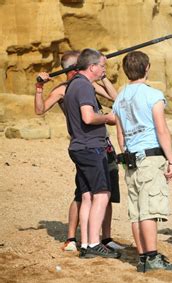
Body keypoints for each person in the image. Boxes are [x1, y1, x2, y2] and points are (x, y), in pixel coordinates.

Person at [34, 51, 124, 252]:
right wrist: (39, 88)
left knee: (105, 190)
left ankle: (104, 238)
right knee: (85, 194)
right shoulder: (63, 89)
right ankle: (73, 238)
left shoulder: (88, 83)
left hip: (101, 144)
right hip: (86, 145)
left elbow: (115, 97)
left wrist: (103, 76)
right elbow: (40, 110)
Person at [113, 51, 172, 272]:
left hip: (131, 159)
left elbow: (120, 134)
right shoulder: (153, 95)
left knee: (136, 211)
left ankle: (143, 256)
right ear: (147, 68)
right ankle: (152, 257)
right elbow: (161, 130)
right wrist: (171, 159)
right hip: (150, 158)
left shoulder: (120, 97)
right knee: (150, 210)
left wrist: (126, 154)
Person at [63, 48, 120, 258]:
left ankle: (86, 244)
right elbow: (88, 117)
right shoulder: (84, 86)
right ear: (92, 67)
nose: (103, 70)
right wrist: (108, 118)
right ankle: (95, 242)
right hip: (90, 148)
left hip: (79, 147)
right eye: (102, 66)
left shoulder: (73, 85)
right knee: (103, 194)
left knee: (87, 197)